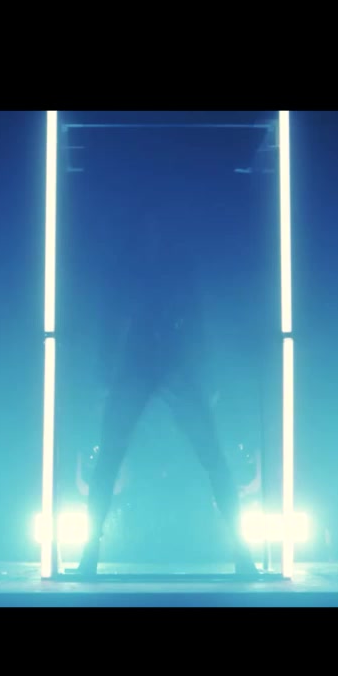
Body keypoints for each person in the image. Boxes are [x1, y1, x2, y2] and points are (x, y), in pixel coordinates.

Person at [76, 201, 257, 575]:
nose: (152, 236)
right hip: (147, 360)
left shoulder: (164, 270)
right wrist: (104, 376)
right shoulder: (138, 270)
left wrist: (204, 373)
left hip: (167, 361)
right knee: (113, 456)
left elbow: (192, 319)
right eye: (148, 229)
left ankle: (242, 551)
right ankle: (89, 550)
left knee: (207, 455)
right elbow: (114, 320)